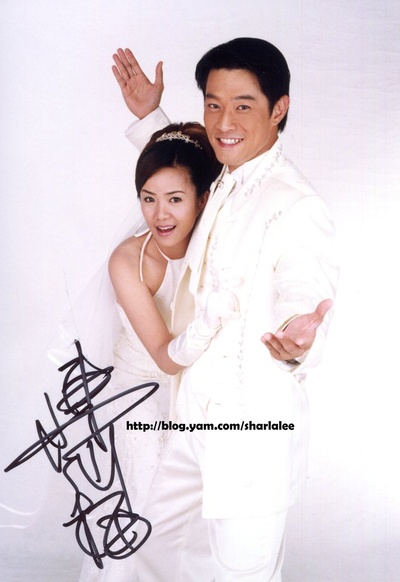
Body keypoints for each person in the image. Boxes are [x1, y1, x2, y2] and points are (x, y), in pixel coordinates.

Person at [112, 38, 339, 582]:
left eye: (243, 105)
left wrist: (297, 334)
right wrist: (150, 118)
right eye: (213, 104)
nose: (223, 121)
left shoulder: (296, 203)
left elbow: (303, 284)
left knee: (242, 573)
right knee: (149, 553)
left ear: (279, 109)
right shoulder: (223, 176)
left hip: (250, 439)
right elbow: (179, 176)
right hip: (193, 419)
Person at [76, 121, 239, 582]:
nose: (160, 214)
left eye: (175, 200)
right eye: (148, 199)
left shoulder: (215, 240)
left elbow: (218, 177)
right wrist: (211, 320)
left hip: (195, 396)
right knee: (145, 509)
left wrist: (152, 119)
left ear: (202, 200)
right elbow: (166, 357)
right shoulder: (128, 260)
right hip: (138, 397)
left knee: (197, 519)